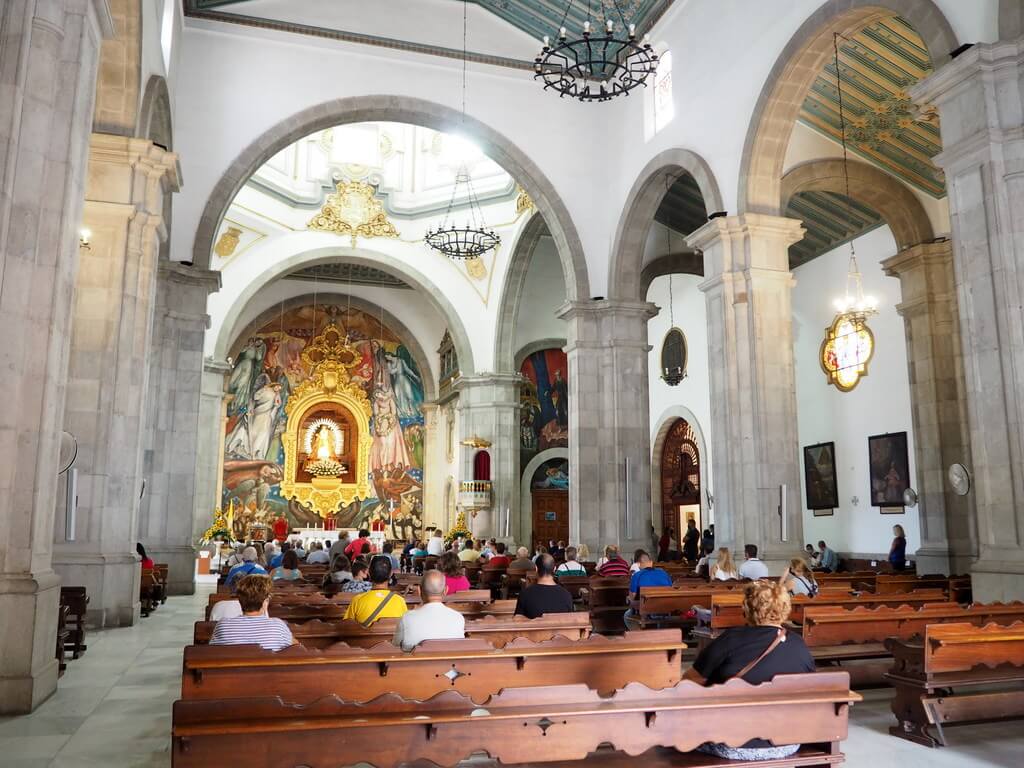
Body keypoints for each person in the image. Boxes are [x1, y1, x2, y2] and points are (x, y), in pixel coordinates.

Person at [684, 581, 814, 761]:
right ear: (785, 608)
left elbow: (688, 684)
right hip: (787, 743)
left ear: (746, 609)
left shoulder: (731, 639)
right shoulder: (798, 644)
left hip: (731, 744)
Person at [210, 574, 295, 651]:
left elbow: (211, 652)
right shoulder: (278, 626)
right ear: (265, 601)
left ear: (240, 601)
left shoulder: (223, 625)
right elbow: (298, 649)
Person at [392, 570, 466, 651]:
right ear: (445, 591)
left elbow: (395, 647)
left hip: (416, 663)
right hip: (448, 663)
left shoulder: (407, 618)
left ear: (419, 591)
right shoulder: (458, 618)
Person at [343, 556, 408, 625]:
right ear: (391, 574)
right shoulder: (400, 602)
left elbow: (346, 626)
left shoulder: (357, 601)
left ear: (369, 573)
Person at [515, 554, 573, 618]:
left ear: (536, 569)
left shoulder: (525, 594)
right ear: (554, 569)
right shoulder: (567, 595)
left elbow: (518, 619)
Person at [624, 552, 672, 628]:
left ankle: (641, 636)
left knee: (627, 616)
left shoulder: (637, 575)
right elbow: (670, 589)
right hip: (664, 609)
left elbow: (632, 598)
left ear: (638, 564)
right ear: (651, 562)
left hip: (646, 612)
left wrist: (628, 598)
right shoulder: (664, 573)